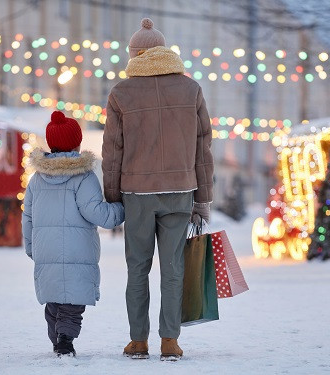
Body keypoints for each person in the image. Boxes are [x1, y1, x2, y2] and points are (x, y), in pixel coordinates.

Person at [102, 18, 214, 361]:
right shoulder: (191, 89)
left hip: (137, 193)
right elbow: (203, 147)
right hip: (180, 190)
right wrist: (203, 197)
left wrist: (112, 194)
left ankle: (138, 341)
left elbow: (112, 150)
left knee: (137, 268)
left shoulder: (121, 92)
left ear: (135, 54)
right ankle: (170, 341)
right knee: (173, 268)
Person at [23, 111, 125, 357]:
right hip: (77, 250)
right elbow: (97, 213)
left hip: (45, 250)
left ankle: (57, 337)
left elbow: (28, 216)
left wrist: (31, 247)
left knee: (54, 300)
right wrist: (121, 209)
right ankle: (65, 339)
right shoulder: (83, 177)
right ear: (77, 143)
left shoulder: (36, 180)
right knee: (72, 303)